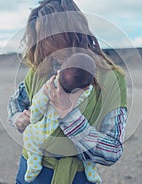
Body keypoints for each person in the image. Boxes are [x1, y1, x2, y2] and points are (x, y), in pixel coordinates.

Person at [7, 0, 127, 184]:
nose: (44, 45)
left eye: (50, 37)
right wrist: (18, 119)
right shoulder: (39, 71)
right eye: (40, 38)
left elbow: (112, 151)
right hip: (31, 174)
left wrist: (70, 116)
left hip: (78, 178)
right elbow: (16, 102)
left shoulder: (112, 79)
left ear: (73, 31)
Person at [23, 53, 101, 183]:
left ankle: (34, 163)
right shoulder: (87, 91)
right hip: (75, 141)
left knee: (29, 134)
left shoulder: (50, 88)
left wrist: (34, 119)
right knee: (87, 147)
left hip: (48, 135)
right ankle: (90, 170)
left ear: (59, 71)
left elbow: (37, 105)